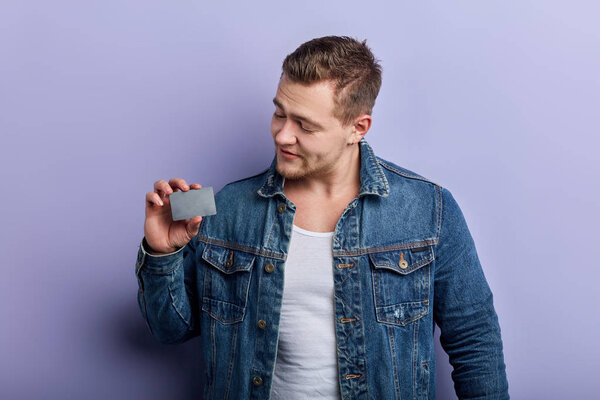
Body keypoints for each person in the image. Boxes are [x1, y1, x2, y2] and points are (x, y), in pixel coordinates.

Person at [134, 35, 509, 400]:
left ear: (357, 128)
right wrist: (161, 252)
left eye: (305, 125)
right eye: (279, 112)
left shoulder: (429, 209)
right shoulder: (223, 204)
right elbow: (170, 331)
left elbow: (475, 340)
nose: (283, 135)